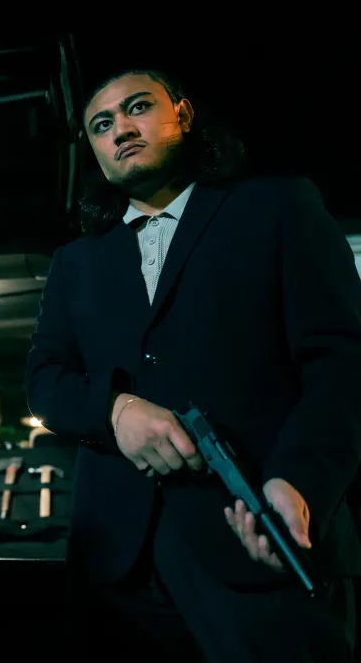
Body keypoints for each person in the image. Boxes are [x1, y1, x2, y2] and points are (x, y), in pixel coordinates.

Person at [25, 66, 361, 662]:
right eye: (102, 125)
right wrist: (115, 410)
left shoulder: (278, 206)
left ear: (181, 113)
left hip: (261, 539)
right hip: (117, 571)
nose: (121, 129)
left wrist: (300, 481)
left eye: (138, 107)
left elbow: (342, 366)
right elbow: (44, 380)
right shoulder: (76, 261)